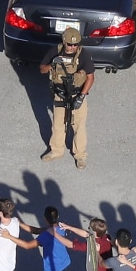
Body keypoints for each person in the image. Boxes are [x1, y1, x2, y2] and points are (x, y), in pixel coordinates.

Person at [39, 27, 95, 170]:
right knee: (58, 124)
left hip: (77, 94)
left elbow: (90, 78)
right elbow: (42, 69)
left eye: (75, 44)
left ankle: (80, 155)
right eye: (69, 44)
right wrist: (53, 64)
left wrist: (81, 97)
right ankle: (56, 151)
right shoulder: (55, 51)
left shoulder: (83, 55)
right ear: (64, 42)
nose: (72, 47)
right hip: (60, 94)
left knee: (79, 126)